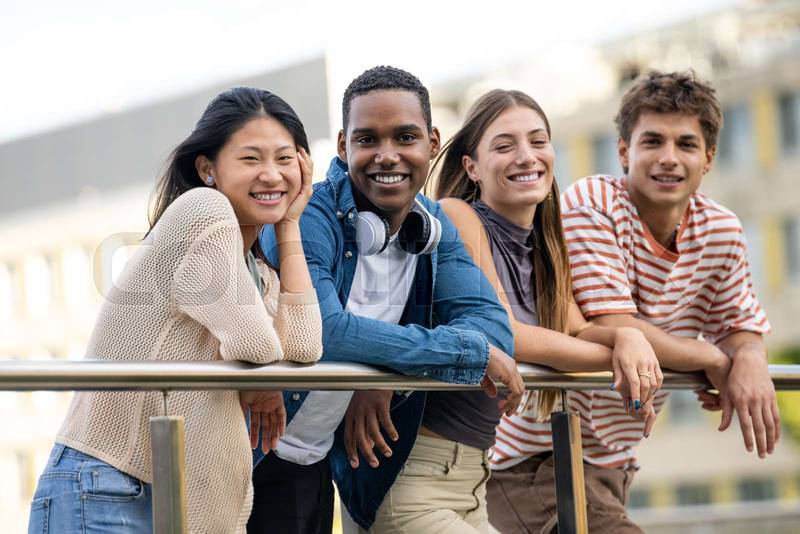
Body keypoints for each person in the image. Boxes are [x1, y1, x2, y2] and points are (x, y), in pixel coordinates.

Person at [27, 87, 323, 534]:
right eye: (250, 159)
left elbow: (304, 347)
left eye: (285, 159)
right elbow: (257, 345)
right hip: (106, 485)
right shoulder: (202, 211)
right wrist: (262, 382)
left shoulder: (259, 274)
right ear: (207, 168)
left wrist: (290, 225)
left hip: (166, 498)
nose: (271, 175)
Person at [249, 66, 524, 534]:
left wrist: (386, 375)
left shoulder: (431, 224)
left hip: (312, 465)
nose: (387, 155)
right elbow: (321, 331)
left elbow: (493, 327)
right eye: (368, 140)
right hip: (247, 457)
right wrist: (454, 354)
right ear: (343, 146)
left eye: (405, 137)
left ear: (433, 143)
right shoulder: (306, 216)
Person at [529, 70, 775, 533]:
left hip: (615, 459)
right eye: (652, 142)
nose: (668, 159)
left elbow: (741, 324)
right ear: (624, 151)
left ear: (709, 157)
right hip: (541, 453)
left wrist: (750, 356)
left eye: (685, 144)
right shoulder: (593, 200)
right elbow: (616, 323)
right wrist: (710, 356)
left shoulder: (721, 229)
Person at [433, 88, 662, 533]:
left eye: (538, 141)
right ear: (471, 167)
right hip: (440, 463)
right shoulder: (456, 214)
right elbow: (505, 333)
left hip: (479, 464)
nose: (526, 156)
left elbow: (574, 332)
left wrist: (629, 338)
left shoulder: (546, 244)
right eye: (505, 146)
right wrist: (627, 360)